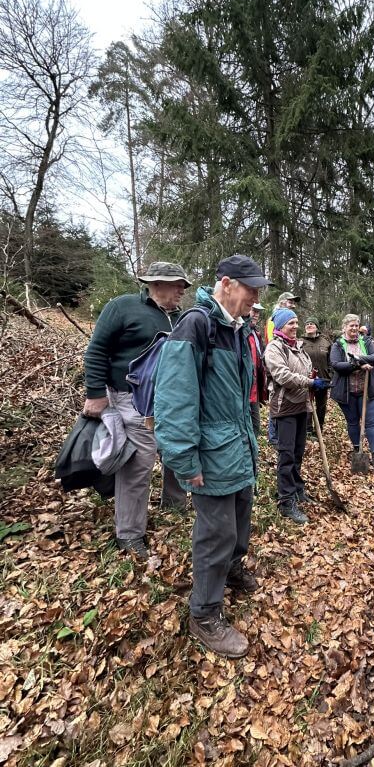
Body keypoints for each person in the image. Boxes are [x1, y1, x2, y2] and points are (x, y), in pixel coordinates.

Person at [154, 254, 272, 658]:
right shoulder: (197, 325)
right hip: (210, 453)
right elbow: (173, 398)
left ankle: (232, 570)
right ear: (226, 284)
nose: (256, 297)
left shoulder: (238, 329)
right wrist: (185, 460)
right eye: (250, 288)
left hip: (236, 448)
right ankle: (204, 613)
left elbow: (241, 398)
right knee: (215, 533)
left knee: (239, 521)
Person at [83, 262, 190, 559]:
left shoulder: (180, 318)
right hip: (130, 401)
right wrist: (95, 394)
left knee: (176, 450)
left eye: (184, 284)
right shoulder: (123, 307)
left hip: (170, 402)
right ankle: (129, 534)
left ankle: (174, 503)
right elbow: (96, 351)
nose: (183, 289)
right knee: (139, 465)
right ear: (155, 283)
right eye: (177, 284)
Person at [264, 308, 328, 524]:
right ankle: (285, 500)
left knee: (298, 453)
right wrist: (308, 382)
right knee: (287, 454)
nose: (295, 326)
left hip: (302, 406)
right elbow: (281, 375)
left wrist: (313, 379)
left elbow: (306, 370)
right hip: (284, 409)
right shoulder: (274, 348)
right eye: (291, 323)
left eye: (296, 322)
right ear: (281, 326)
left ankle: (297, 489)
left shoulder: (298, 347)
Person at [330, 314, 374, 472]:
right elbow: (336, 364)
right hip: (347, 392)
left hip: (367, 390)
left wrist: (356, 359)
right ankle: (357, 449)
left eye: (356, 325)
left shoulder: (366, 341)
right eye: (350, 325)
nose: (354, 328)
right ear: (344, 327)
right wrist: (359, 364)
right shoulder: (338, 345)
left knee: (370, 423)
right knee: (353, 422)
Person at [264, 291, 301, 444]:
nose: (292, 304)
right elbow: (274, 340)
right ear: (281, 302)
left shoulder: (291, 319)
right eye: (289, 301)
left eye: (293, 302)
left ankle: (280, 434)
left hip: (287, 361)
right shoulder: (274, 319)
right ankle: (273, 437)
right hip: (276, 362)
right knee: (277, 397)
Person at [302, 316, 332, 435]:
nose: (309, 325)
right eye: (307, 324)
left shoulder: (326, 342)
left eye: (312, 324)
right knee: (307, 405)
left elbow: (331, 361)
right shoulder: (300, 342)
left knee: (321, 406)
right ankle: (308, 429)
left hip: (323, 379)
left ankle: (319, 428)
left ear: (317, 327)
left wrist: (330, 375)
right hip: (307, 379)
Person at [248, 303, 267, 437]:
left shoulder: (256, 334)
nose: (256, 314)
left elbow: (259, 362)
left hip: (255, 390)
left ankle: (252, 456)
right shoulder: (238, 331)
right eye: (253, 310)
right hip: (243, 390)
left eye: (258, 312)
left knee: (255, 427)